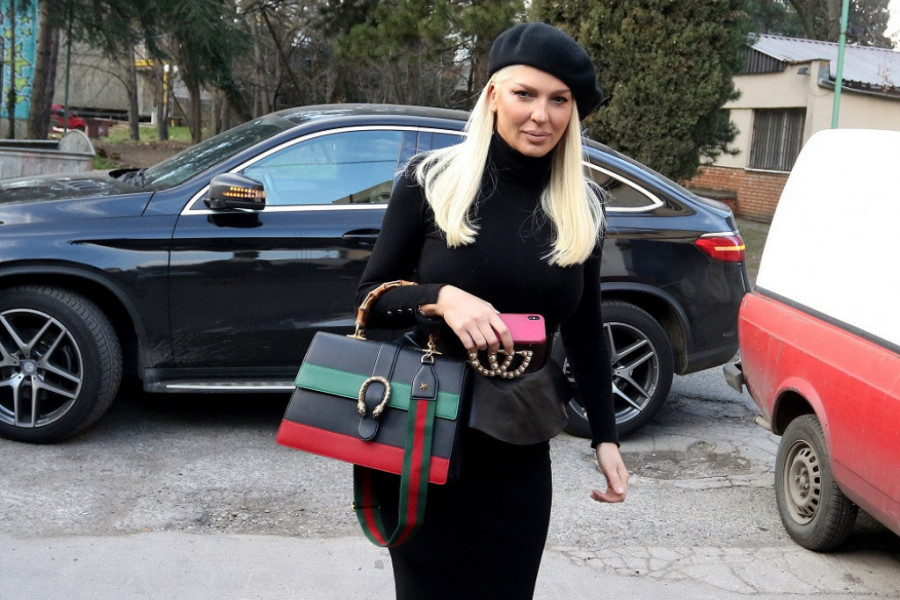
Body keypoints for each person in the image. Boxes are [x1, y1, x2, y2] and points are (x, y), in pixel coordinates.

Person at [355, 21, 629, 600]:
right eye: (525, 94)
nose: (541, 115)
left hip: (521, 444)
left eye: (559, 100)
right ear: (493, 95)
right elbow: (370, 299)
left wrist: (605, 438)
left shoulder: (583, 205)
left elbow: (584, 329)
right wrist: (439, 297)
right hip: (427, 429)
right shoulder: (431, 181)